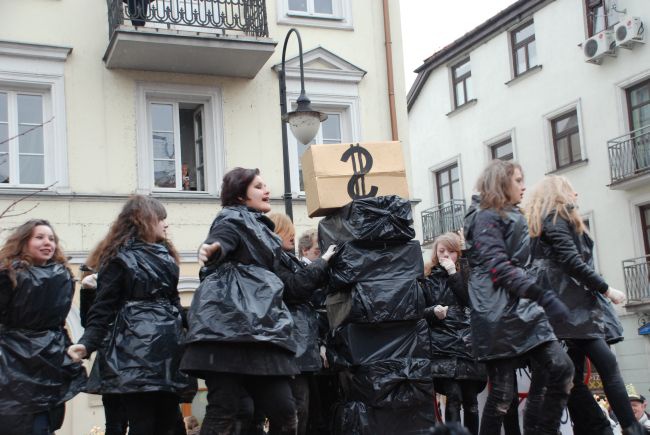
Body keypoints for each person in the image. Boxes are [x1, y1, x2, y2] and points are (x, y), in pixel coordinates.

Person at [181, 167, 299, 435]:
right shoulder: (232, 218)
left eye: (265, 184)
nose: (266, 190)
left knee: (284, 410)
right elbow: (223, 238)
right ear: (240, 195)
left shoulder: (261, 226)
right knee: (225, 408)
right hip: (228, 333)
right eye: (258, 186)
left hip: (260, 330)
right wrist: (213, 248)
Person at [525, 175, 645, 435]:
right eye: (571, 190)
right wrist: (607, 289)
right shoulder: (557, 218)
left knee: (574, 377)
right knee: (607, 368)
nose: (576, 195)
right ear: (560, 193)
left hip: (563, 310)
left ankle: (595, 426)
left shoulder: (541, 225)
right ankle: (630, 427)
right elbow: (571, 260)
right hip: (573, 311)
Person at [463, 159, 574, 435]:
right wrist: (545, 297)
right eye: (518, 180)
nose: (524, 186)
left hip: (520, 306)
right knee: (502, 395)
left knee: (561, 367)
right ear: (502, 183)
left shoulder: (510, 214)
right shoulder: (485, 217)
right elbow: (499, 267)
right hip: (496, 311)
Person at [67, 196, 191, 435]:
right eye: (161, 219)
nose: (166, 225)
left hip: (166, 351)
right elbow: (102, 309)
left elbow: (175, 304)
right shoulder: (119, 259)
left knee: (171, 424)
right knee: (142, 423)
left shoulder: (166, 258)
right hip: (133, 353)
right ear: (144, 220)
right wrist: (86, 344)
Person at [0, 219, 86, 435]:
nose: (47, 243)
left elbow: (58, 322)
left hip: (49, 358)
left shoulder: (62, 276)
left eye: (51, 238)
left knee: (44, 422)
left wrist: (68, 350)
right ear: (24, 241)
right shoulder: (7, 275)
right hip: (12, 361)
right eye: (39, 237)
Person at [267, 213, 335, 435]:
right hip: (292, 345)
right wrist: (323, 263)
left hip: (300, 345)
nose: (294, 235)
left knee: (302, 409)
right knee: (295, 411)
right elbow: (295, 288)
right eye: (289, 231)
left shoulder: (285, 259)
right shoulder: (274, 259)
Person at [422, 232, 486, 435]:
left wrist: (453, 274)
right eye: (442, 251)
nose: (446, 255)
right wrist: (433, 312)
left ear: (458, 253)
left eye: (451, 251)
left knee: (471, 399)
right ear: (436, 252)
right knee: (453, 396)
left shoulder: (467, 273)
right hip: (443, 345)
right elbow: (419, 311)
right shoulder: (428, 277)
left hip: (468, 344)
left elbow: (471, 300)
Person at [78, 268, 129, 435]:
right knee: (115, 422)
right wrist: (87, 291)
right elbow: (90, 322)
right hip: (112, 361)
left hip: (128, 357)